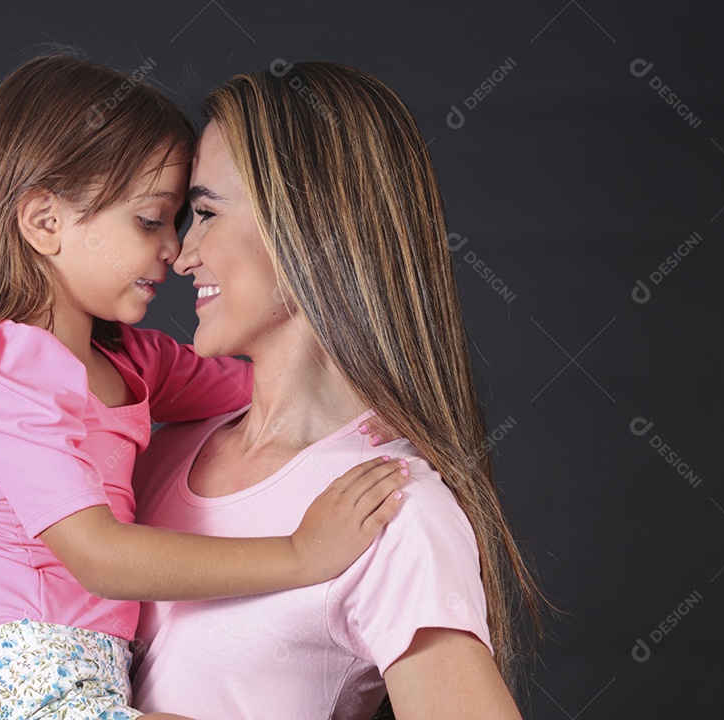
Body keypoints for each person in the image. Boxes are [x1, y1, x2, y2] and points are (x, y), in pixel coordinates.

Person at [0, 54, 411, 720]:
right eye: (150, 221)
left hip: (95, 671)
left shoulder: (132, 363)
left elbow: (265, 384)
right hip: (7, 675)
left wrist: (366, 408)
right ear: (45, 221)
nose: (173, 254)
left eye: (180, 223)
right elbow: (100, 558)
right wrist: (300, 556)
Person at [131, 61, 551, 719]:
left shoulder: (389, 509)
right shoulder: (160, 454)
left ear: (310, 231)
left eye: (207, 212)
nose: (182, 254)